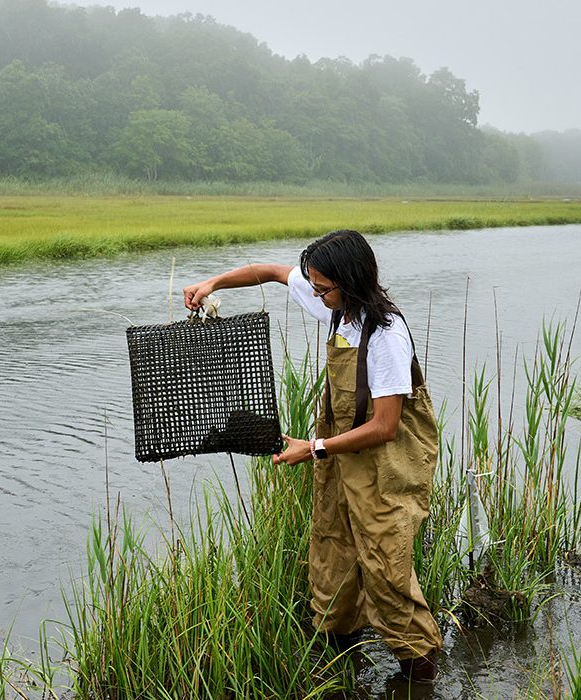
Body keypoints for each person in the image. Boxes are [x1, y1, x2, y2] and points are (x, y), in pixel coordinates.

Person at [182, 229, 442, 684]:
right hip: (343, 458)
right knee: (333, 552)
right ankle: (344, 663)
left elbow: (384, 427)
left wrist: (315, 447)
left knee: (386, 570)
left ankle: (419, 675)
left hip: (384, 464)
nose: (316, 295)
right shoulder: (337, 310)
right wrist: (212, 285)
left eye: (324, 287)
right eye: (314, 286)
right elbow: (269, 272)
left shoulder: (385, 335)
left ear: (352, 280)